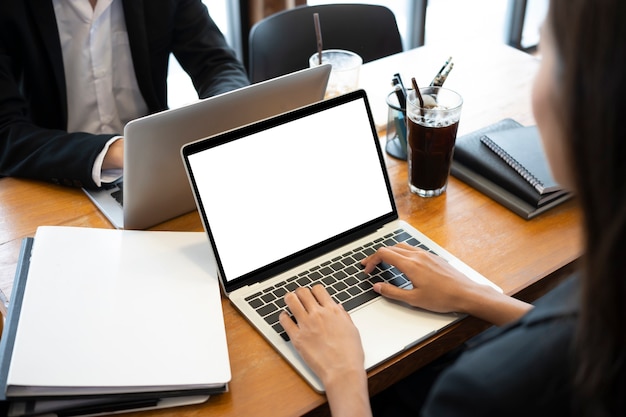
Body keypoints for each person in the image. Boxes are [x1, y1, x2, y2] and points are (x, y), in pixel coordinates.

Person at [278, 0, 626, 415]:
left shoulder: (476, 392)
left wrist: (344, 374)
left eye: (545, 57)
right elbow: (583, 337)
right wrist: (476, 296)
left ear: (586, 100)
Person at [0, 0, 249, 189]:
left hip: (154, 176)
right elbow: (5, 132)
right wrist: (120, 151)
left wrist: (223, 119)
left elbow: (217, 65)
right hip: (52, 180)